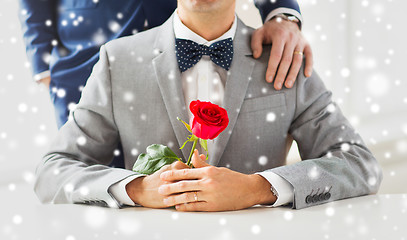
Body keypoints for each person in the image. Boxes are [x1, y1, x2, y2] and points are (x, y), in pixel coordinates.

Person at [34, 0, 382, 211]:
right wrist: (138, 190)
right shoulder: (117, 61)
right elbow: (52, 171)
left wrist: (257, 189)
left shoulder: (284, 59)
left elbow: (360, 164)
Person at [18, 0, 312, 129]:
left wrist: (280, 12)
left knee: (180, 182)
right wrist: (42, 62)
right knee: (92, 185)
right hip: (83, 57)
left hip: (182, 46)